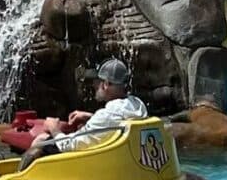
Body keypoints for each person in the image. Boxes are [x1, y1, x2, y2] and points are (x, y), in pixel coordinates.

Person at [20, 59, 148, 168]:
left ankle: (20, 178)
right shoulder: (137, 105)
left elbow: (70, 145)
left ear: (106, 84)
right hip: (122, 159)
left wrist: (55, 129)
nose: (93, 85)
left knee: (41, 140)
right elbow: (115, 121)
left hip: (97, 163)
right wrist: (91, 117)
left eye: (96, 81)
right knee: (80, 128)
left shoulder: (106, 116)